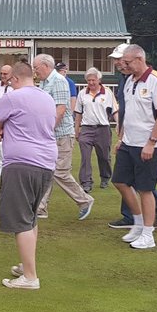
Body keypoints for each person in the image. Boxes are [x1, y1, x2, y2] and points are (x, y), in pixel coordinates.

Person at [0, 61, 55, 290]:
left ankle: (30, 277)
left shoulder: (12, 97)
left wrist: (1, 128)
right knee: (31, 216)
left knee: (21, 220)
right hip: (46, 162)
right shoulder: (46, 97)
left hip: (22, 162)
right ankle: (27, 267)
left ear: (14, 79)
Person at [108, 44, 157, 230]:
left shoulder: (156, 80)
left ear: (139, 59)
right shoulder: (129, 80)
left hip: (146, 142)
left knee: (145, 188)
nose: (124, 65)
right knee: (120, 181)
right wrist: (121, 138)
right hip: (129, 141)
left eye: (127, 62)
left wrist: (151, 143)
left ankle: (148, 232)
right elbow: (127, 112)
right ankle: (137, 223)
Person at [33, 54, 94, 221]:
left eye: (36, 67)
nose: (35, 71)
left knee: (60, 172)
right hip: (52, 135)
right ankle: (41, 208)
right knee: (46, 171)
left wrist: (47, 129)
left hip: (61, 135)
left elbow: (60, 109)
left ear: (45, 66)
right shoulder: (45, 82)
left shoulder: (59, 81)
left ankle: (84, 200)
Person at [74, 67, 118, 193]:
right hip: (87, 128)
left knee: (104, 156)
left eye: (93, 80)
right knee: (85, 157)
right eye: (89, 81)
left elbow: (115, 110)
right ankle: (86, 182)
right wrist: (77, 130)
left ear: (99, 80)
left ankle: (105, 177)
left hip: (102, 128)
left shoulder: (108, 92)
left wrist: (119, 124)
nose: (91, 83)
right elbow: (78, 113)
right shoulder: (82, 93)